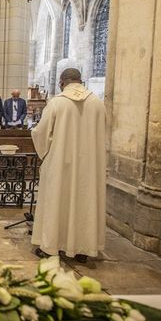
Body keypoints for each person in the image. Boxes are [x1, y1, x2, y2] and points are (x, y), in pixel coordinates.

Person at [31, 68, 106, 264]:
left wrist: (44, 150)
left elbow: (41, 133)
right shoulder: (98, 103)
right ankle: (83, 249)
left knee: (57, 202)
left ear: (62, 83)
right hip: (89, 166)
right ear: (80, 81)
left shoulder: (57, 103)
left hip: (60, 164)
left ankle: (50, 247)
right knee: (85, 203)